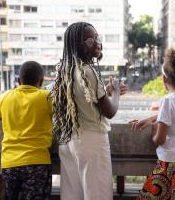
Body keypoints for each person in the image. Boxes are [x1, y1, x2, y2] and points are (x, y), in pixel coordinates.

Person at [50, 22, 127, 200]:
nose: (97, 43)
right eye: (90, 40)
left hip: (69, 140)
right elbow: (109, 111)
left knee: (72, 194)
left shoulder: (64, 70)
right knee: (97, 193)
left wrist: (106, 93)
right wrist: (115, 92)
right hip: (91, 141)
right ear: (78, 44)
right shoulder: (88, 72)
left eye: (97, 38)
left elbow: (83, 100)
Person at [130, 48, 175, 199]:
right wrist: (152, 118)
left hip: (170, 163)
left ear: (164, 79)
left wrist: (153, 129)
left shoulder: (167, 101)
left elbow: (160, 139)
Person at [0, 61, 53, 200]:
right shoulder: (47, 97)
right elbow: (64, 116)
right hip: (37, 163)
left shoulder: (5, 97)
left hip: (10, 164)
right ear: (41, 81)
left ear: (18, 80)